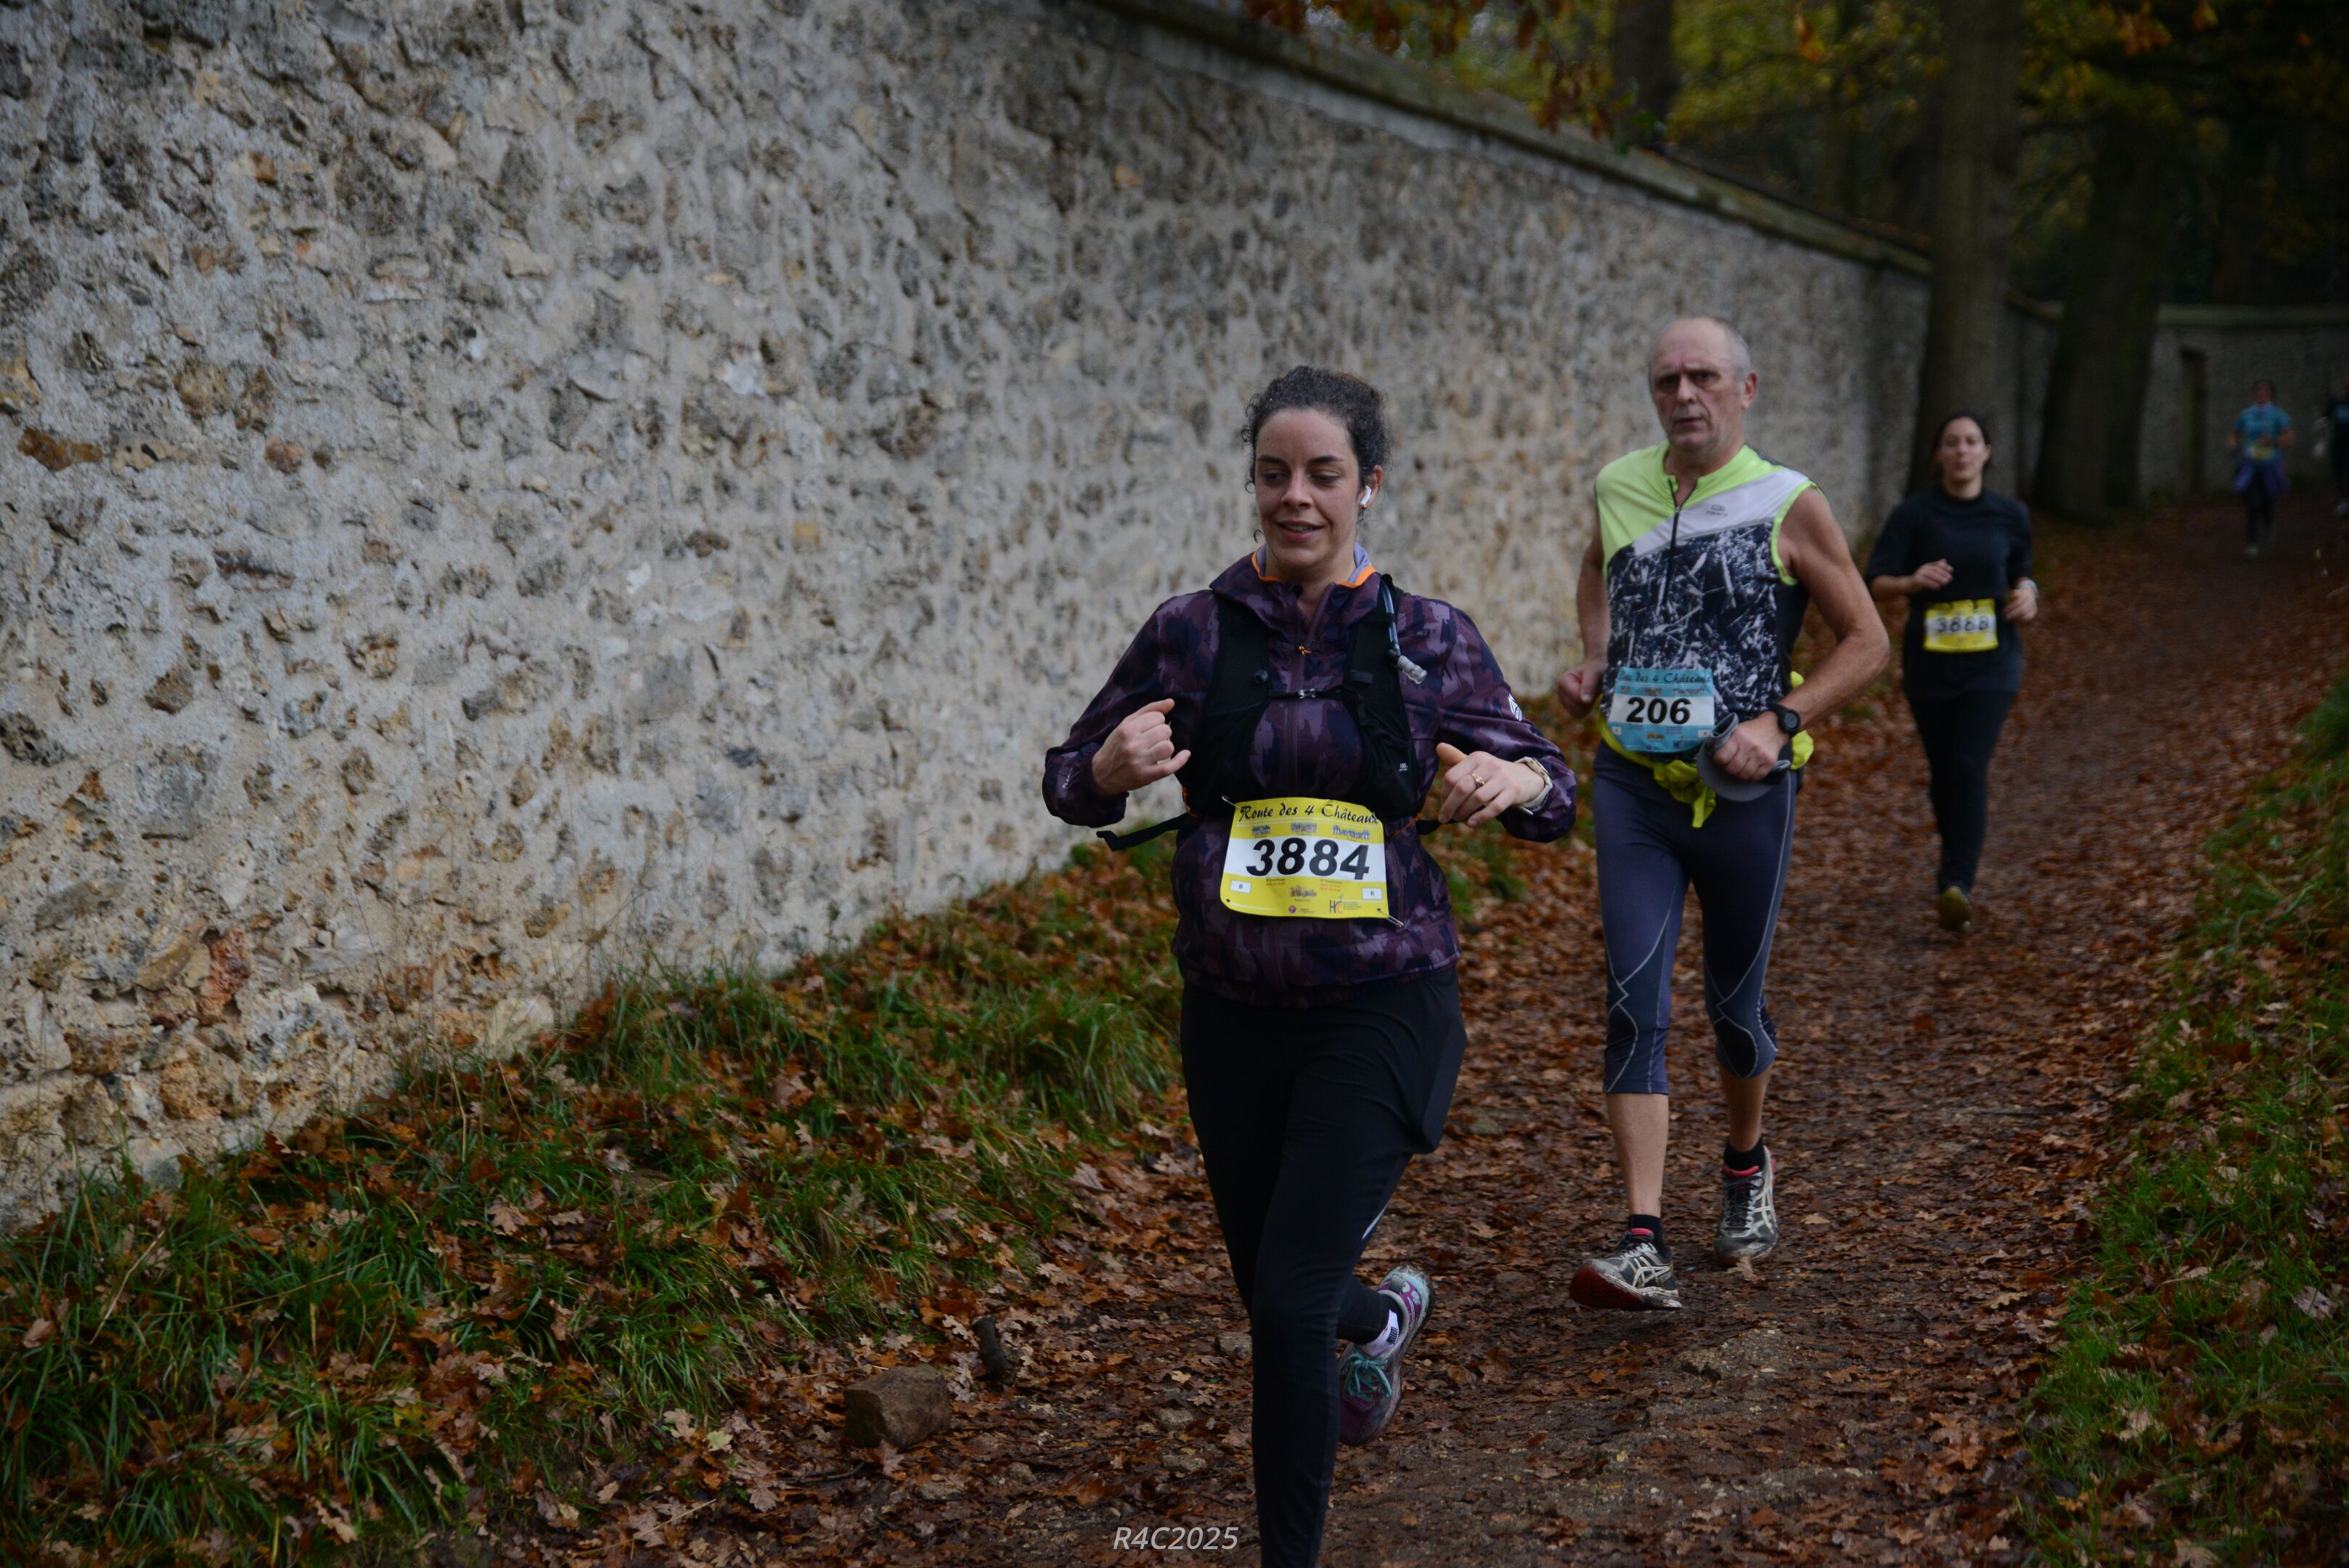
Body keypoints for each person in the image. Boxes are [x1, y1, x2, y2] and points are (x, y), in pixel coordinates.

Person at [1042, 367, 1575, 1565]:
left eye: (1323, 475)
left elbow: (1555, 790)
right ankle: (1379, 1318)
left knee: (1284, 1308)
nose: (1296, 496)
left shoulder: (1428, 638)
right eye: (1273, 473)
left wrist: (1515, 778)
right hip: (1231, 1015)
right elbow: (1069, 777)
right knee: (1281, 1292)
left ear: (1366, 486)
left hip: (1382, 1005)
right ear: (1253, 483)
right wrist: (1105, 774)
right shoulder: (1191, 631)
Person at [1551, 318, 1887, 1309]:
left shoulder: (1787, 501)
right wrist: (1595, 659)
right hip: (1631, 785)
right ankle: (1642, 1238)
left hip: (1745, 793)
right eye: (1666, 380)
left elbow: (1867, 642)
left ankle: (1745, 1161)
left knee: (1734, 1007)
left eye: (1703, 376)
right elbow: (1595, 568)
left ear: (1745, 388)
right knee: (1631, 1000)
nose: (1683, 394)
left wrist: (1781, 722)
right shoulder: (1619, 485)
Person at [1863, 412, 2038, 934]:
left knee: (1967, 765)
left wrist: (2029, 594)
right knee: (1944, 774)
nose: (1962, 450)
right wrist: (1912, 581)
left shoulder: (2009, 514)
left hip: (1993, 663)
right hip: (1931, 665)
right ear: (1938, 454)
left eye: (1971, 441)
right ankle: (1951, 865)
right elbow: (1874, 583)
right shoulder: (1914, 515)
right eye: (1952, 442)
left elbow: (2023, 571)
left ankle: (1959, 883)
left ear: (1987, 452)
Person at [2229, 380, 2293, 558]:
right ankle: (2252, 543)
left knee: (2267, 502)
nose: (2262, 393)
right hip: (2250, 466)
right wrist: (2232, 444)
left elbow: (2289, 439)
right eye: (2258, 390)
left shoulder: (2278, 415)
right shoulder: (2246, 415)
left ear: (2271, 394)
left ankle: (2269, 523)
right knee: (2252, 504)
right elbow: (2235, 434)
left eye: (2266, 390)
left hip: (2270, 466)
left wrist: (2273, 441)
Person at [2323, 377, 2349, 520]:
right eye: (2347, 386)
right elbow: (2327, 418)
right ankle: (2343, 499)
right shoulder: (2336, 402)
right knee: (2339, 471)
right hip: (2339, 443)